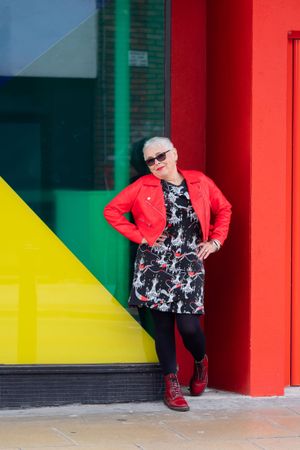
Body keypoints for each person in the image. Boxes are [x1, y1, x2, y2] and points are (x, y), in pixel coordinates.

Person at [103, 137, 232, 412]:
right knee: (162, 328)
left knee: (188, 326)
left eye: (161, 156)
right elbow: (111, 211)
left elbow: (224, 209)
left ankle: (200, 361)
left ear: (174, 153)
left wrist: (216, 241)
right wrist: (140, 237)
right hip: (154, 263)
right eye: (150, 160)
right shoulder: (141, 186)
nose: (157, 163)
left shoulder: (199, 182)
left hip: (189, 261)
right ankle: (171, 385)